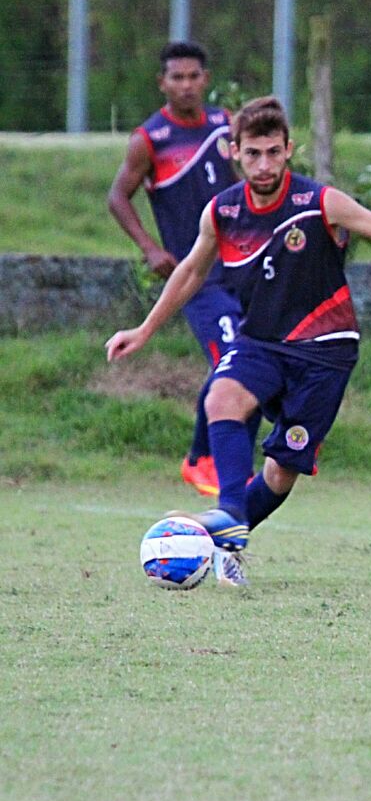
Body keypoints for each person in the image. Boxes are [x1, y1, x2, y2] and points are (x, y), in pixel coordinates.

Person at [107, 96, 371, 586]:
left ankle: (229, 542)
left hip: (326, 353)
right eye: (253, 154)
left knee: (278, 473)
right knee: (221, 396)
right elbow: (189, 272)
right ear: (234, 153)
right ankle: (228, 513)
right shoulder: (222, 212)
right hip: (261, 343)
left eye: (273, 152)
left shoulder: (319, 202)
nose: (264, 164)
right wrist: (144, 330)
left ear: (289, 149)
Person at [107, 41, 249, 498]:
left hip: (241, 267)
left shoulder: (225, 124)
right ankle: (200, 458)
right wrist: (150, 248)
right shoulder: (150, 139)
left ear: (205, 79)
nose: (186, 85)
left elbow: (250, 182)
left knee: (255, 358)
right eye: (177, 78)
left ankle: (243, 459)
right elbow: (117, 197)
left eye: (193, 77)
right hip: (196, 278)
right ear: (162, 83)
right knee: (230, 359)